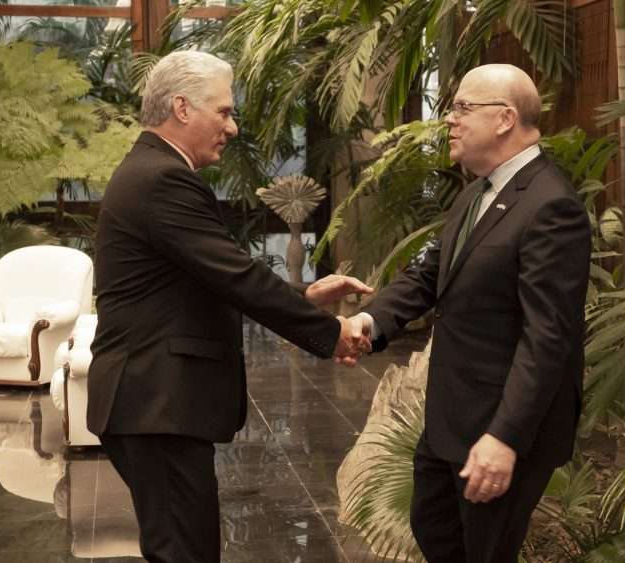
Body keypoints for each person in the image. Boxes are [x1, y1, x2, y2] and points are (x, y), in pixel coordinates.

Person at [86, 50, 372, 563]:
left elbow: (209, 277)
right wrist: (332, 332)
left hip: (152, 402)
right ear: (181, 108)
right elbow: (233, 274)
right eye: (224, 111)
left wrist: (302, 295)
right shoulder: (161, 178)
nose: (233, 127)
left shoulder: (152, 170)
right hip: (155, 402)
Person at [344, 64, 591, 562]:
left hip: (499, 427)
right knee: (434, 528)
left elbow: (547, 338)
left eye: (461, 108)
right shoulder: (476, 191)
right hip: (450, 419)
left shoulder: (550, 206)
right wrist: (364, 324)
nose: (449, 121)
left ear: (504, 119)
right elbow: (427, 275)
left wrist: (505, 438)